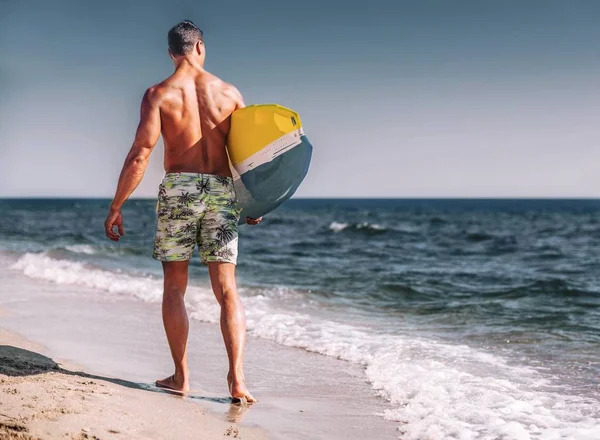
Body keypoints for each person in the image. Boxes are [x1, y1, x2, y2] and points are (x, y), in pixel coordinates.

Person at [104, 20, 260, 403]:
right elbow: (247, 156)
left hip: (179, 189)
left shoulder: (159, 94)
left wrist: (117, 205)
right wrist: (255, 201)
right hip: (223, 192)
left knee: (175, 286)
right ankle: (237, 381)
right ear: (200, 48)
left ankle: (181, 376)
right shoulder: (230, 93)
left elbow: (141, 153)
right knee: (227, 291)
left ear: (172, 52)